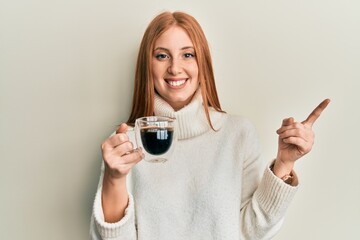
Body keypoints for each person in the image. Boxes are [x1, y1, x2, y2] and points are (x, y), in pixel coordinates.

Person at [89, 11, 330, 240]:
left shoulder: (238, 134)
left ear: (202, 63)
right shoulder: (124, 144)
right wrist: (114, 177)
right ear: (147, 66)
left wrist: (285, 163)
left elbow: (250, 232)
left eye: (188, 54)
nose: (175, 68)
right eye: (162, 55)